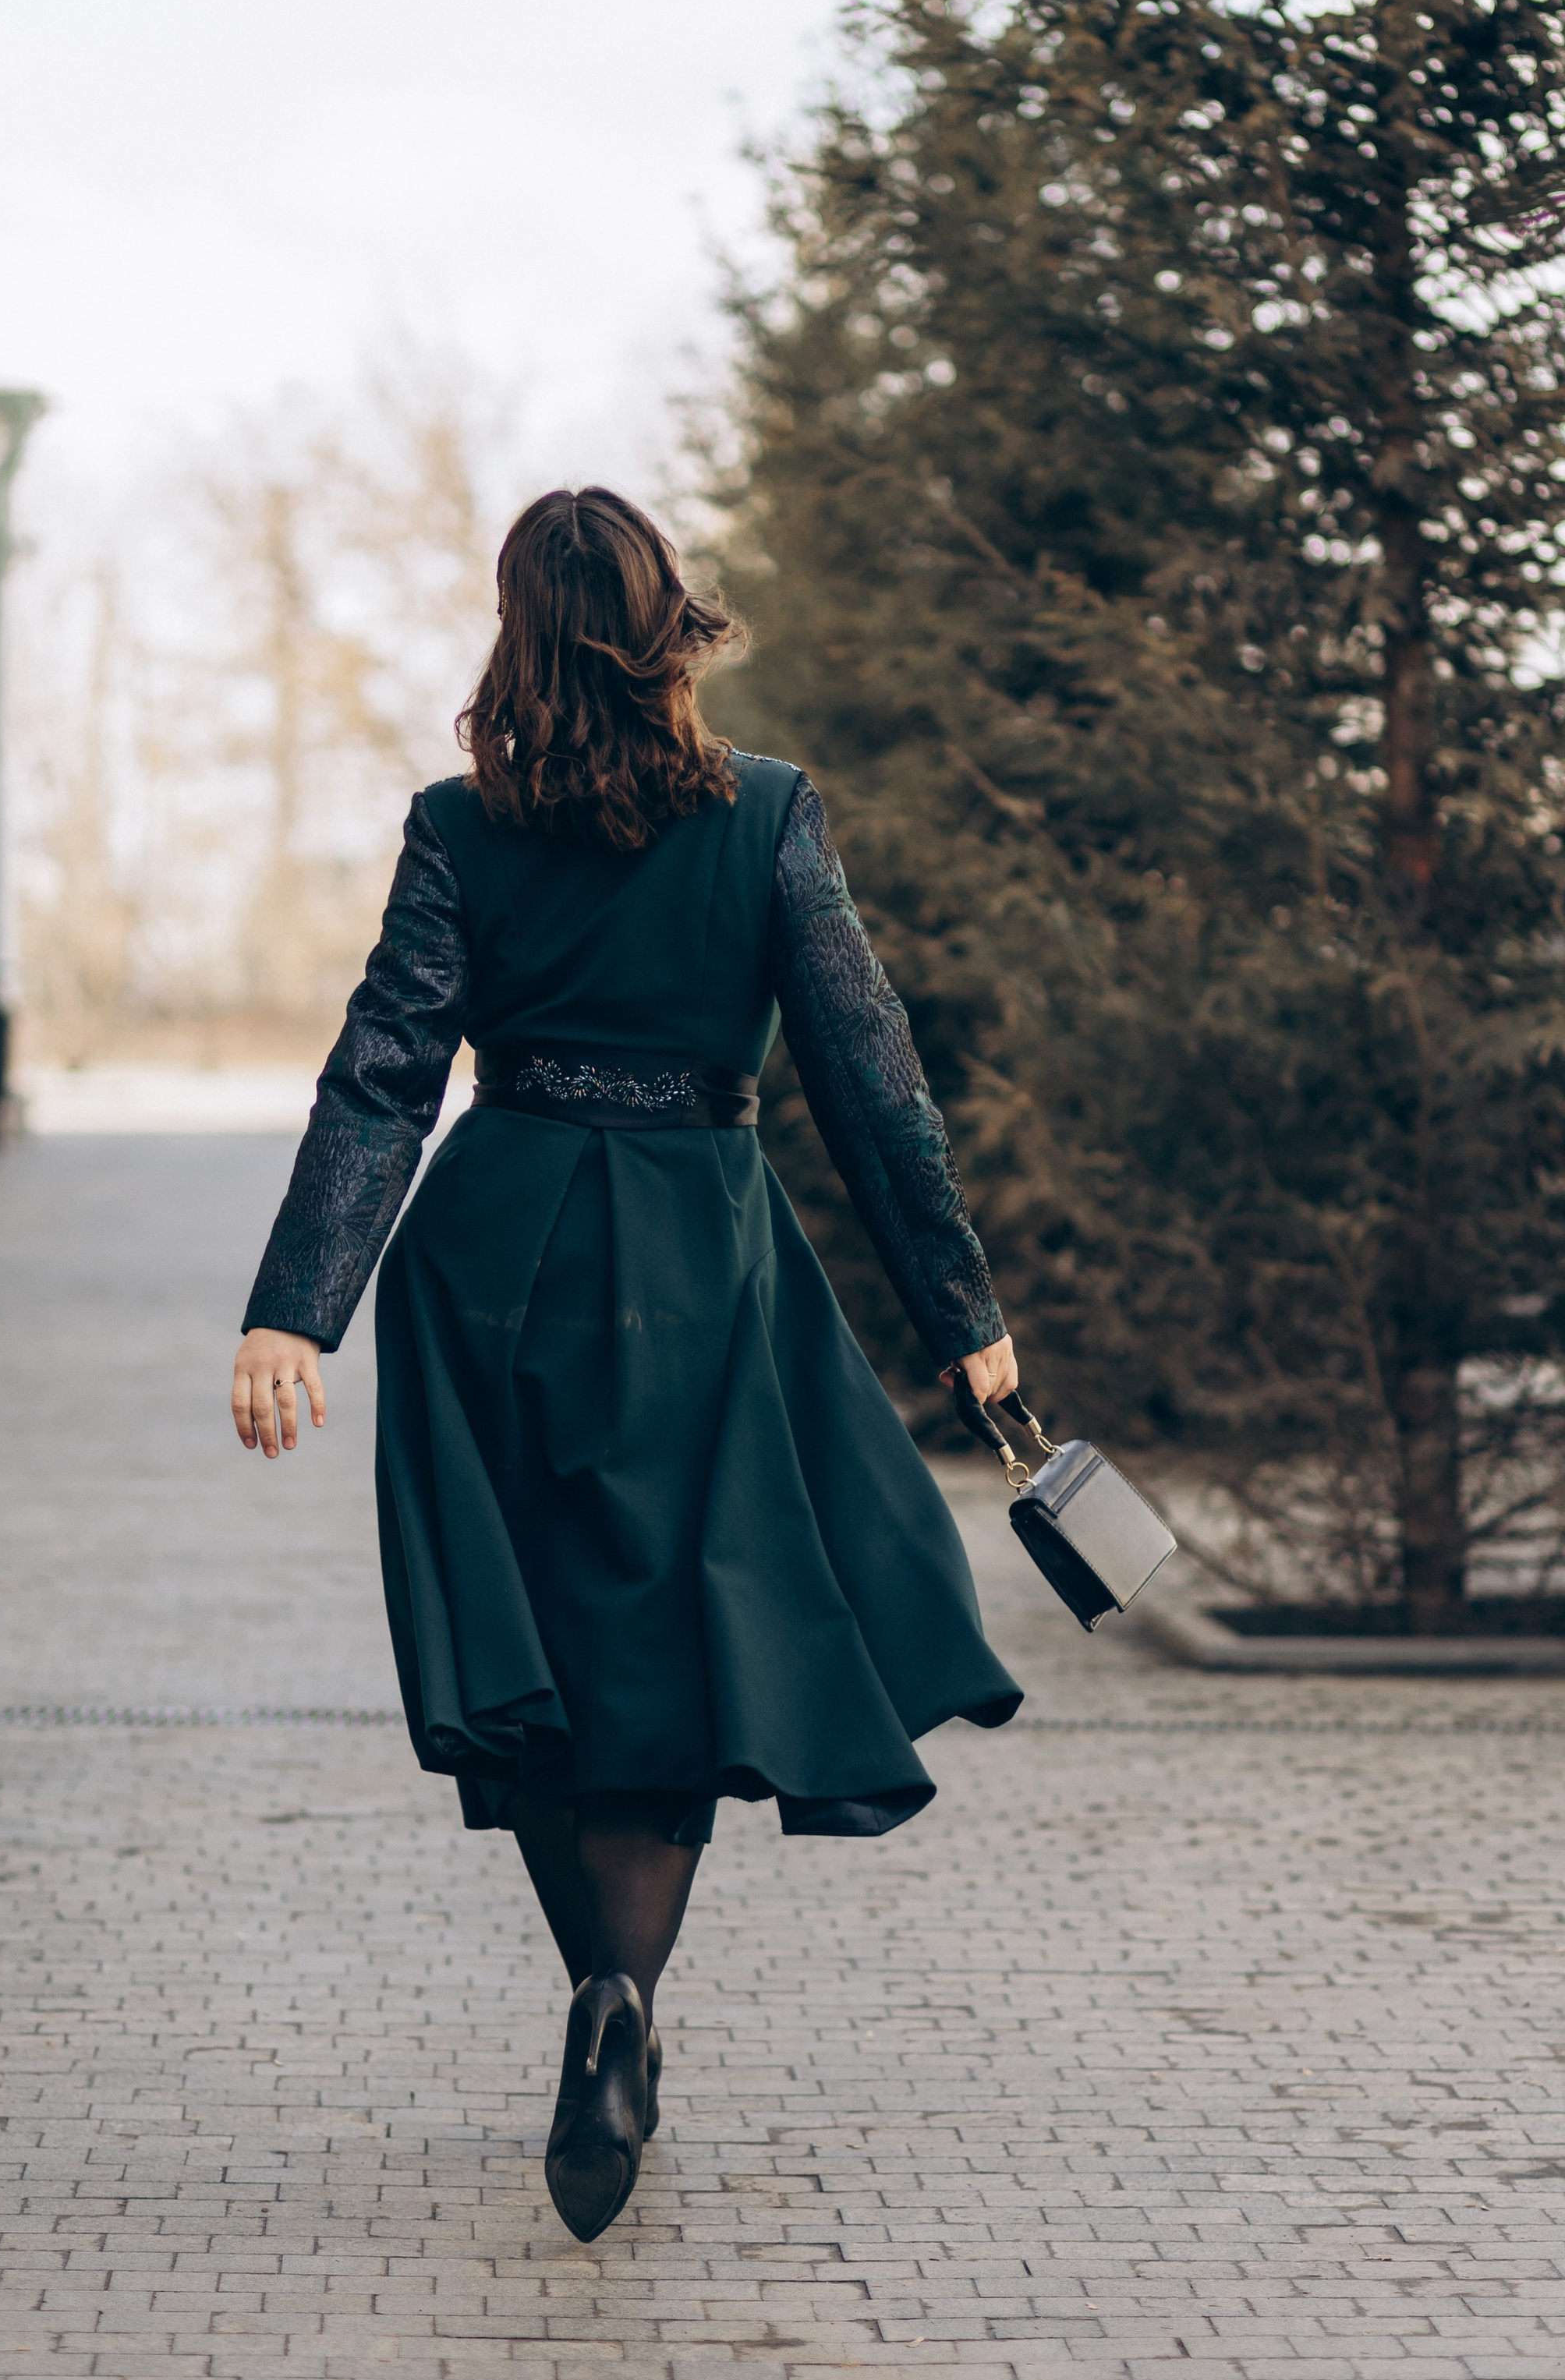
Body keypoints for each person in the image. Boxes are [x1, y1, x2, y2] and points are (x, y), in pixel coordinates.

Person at [231, 486, 1022, 2244]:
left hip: (493, 1263)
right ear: (671, 627)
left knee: (534, 1646)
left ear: (515, 636)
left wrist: (296, 1305)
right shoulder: (767, 815)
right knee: (669, 1640)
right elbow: (870, 1077)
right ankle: (622, 2001)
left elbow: (384, 1070)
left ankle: (599, 1987)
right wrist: (961, 1310)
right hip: (698, 1263)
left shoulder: (457, 826)